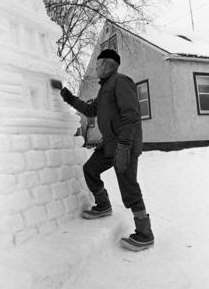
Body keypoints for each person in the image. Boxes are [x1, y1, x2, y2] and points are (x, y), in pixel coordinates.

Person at [60, 48, 154, 251]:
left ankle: (145, 233)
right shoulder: (105, 89)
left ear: (106, 64)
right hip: (110, 144)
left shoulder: (121, 82)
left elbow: (131, 115)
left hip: (124, 145)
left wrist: (124, 146)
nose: (95, 67)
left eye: (97, 64)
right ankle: (103, 205)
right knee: (90, 169)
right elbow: (90, 110)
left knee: (128, 186)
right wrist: (68, 97)